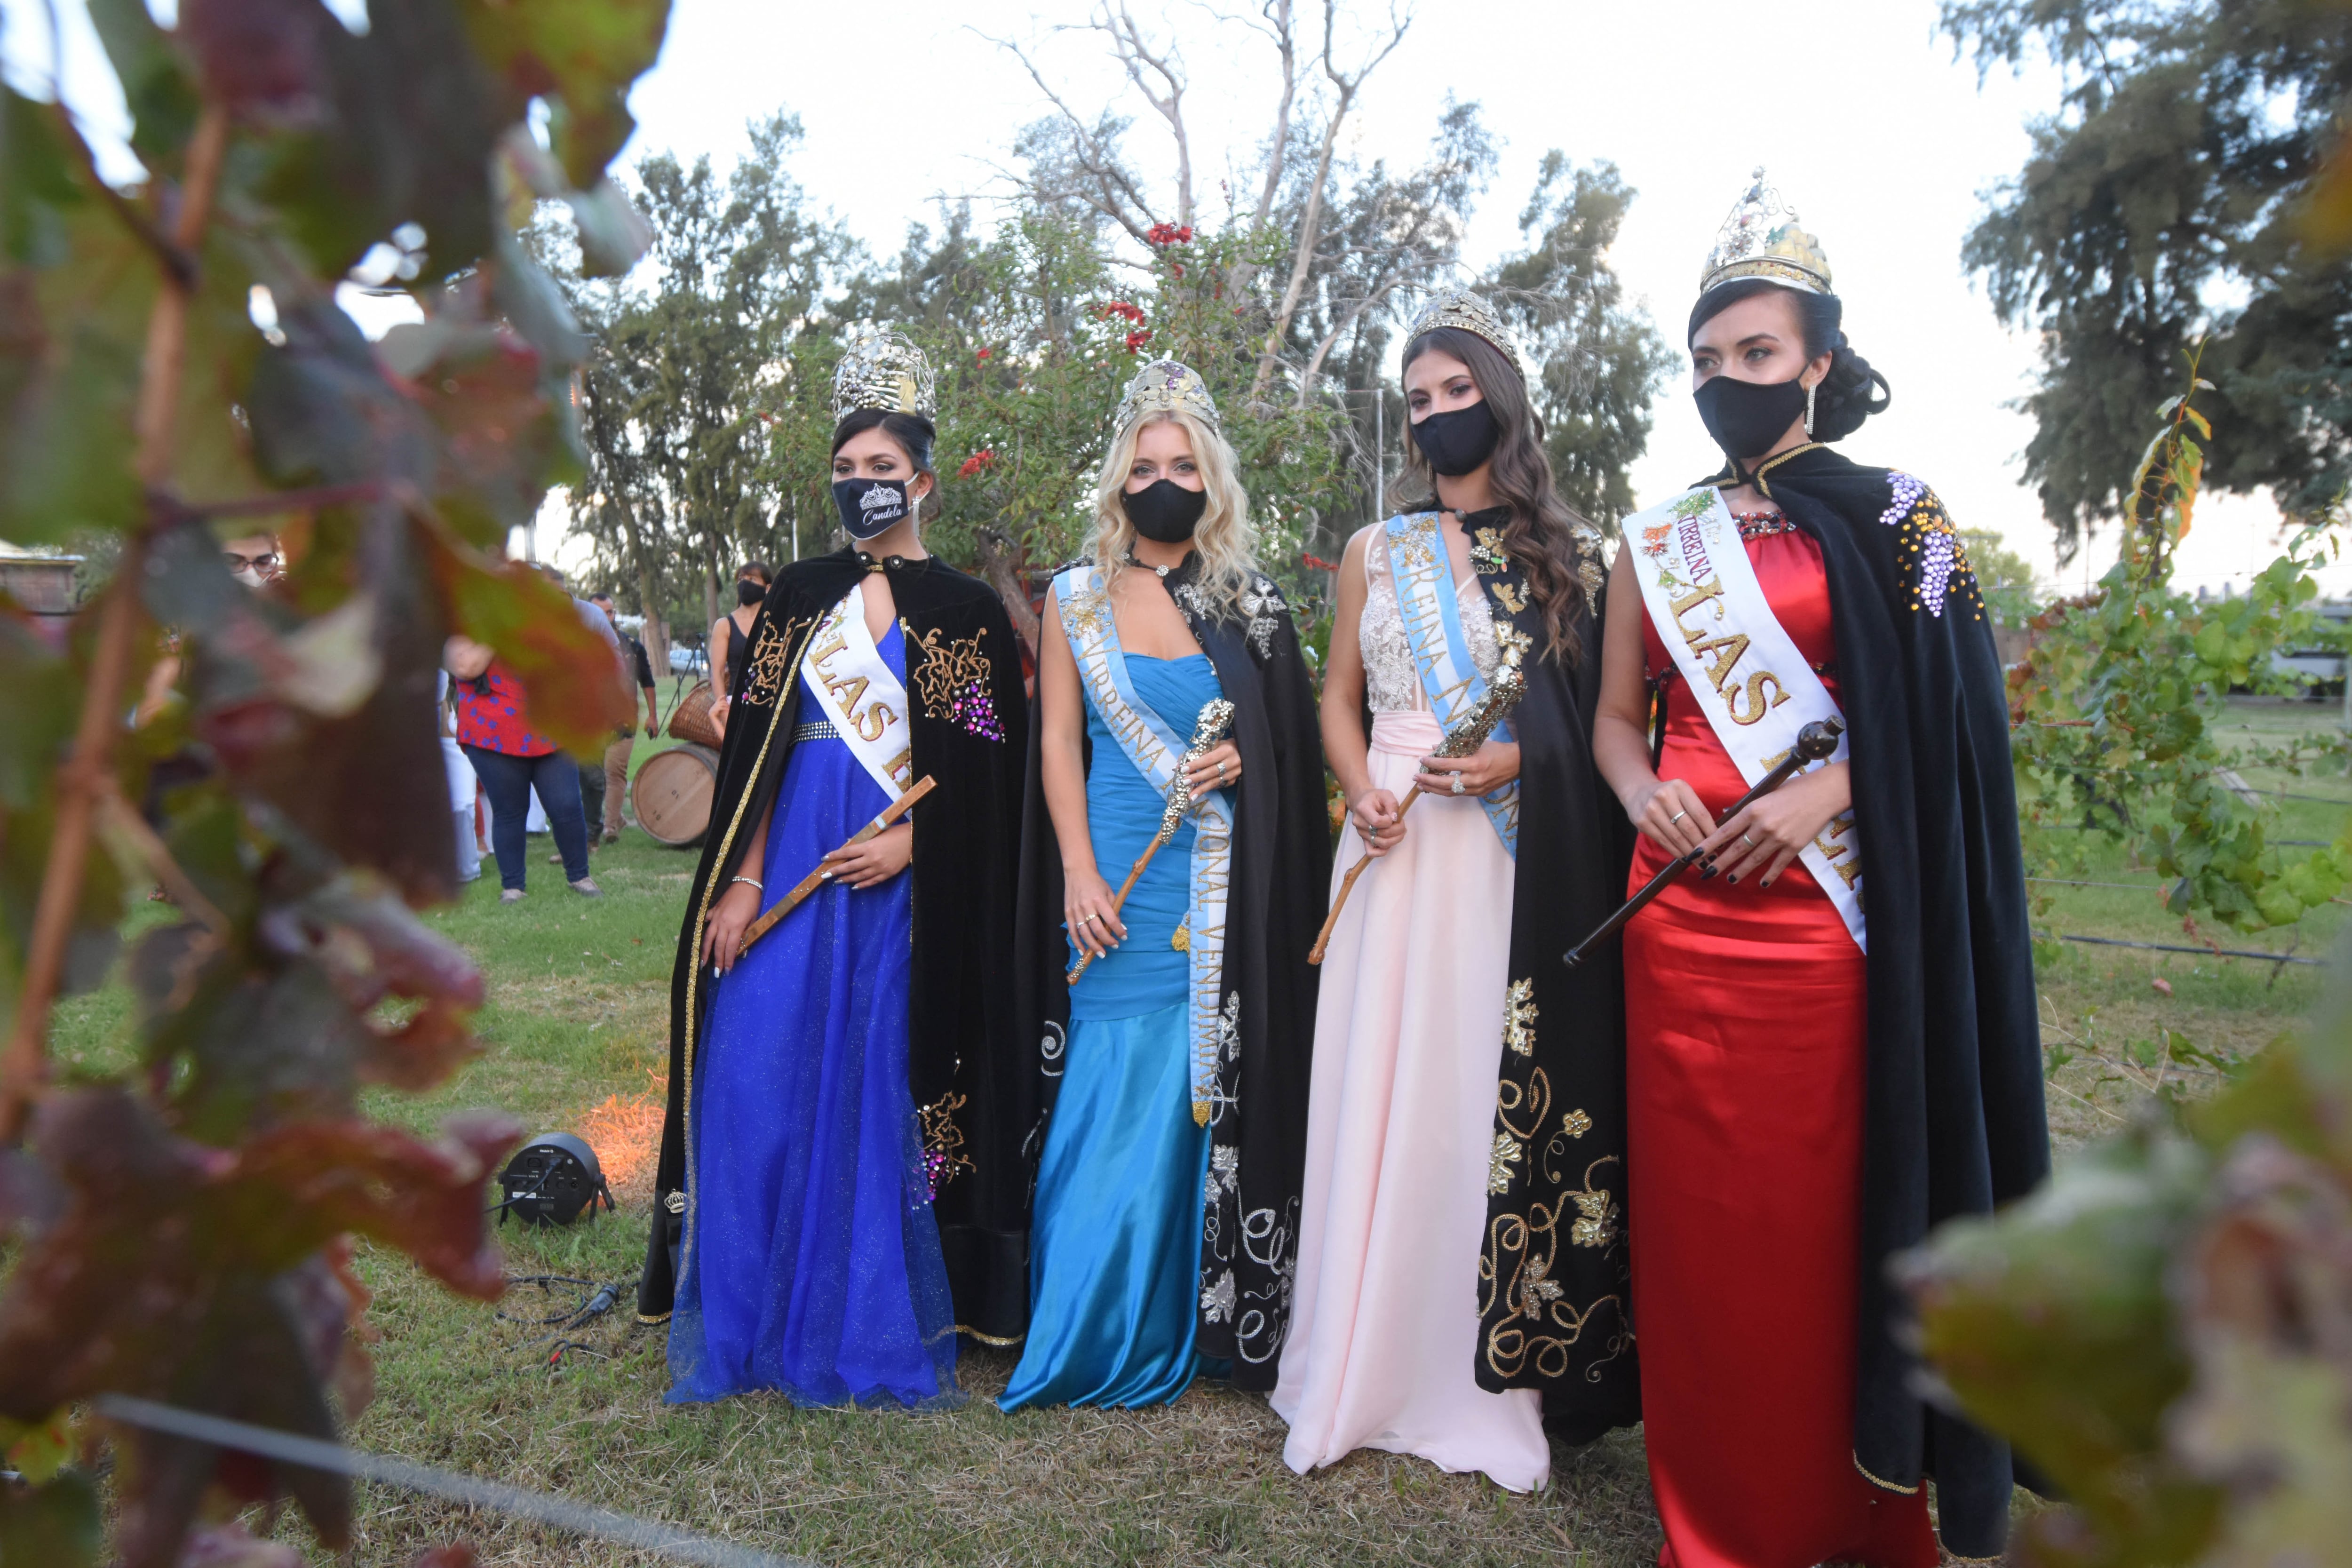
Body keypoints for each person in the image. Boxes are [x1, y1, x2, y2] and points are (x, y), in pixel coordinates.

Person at [1593, 172, 2046, 1566]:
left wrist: (1822, 797)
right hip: (1674, 927)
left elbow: (1961, 729)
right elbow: (1616, 719)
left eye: (1757, 354)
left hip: (1834, 922)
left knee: (1817, 1222)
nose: (1728, 380)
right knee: (1702, 1238)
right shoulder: (1657, 538)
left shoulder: (1903, 517)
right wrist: (1643, 789)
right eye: (1708, 360)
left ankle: (1853, 1500)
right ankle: (1716, 1521)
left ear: (1819, 364)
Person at [1273, 292, 1635, 1492]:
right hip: (1388, 840)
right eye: (1417, 399)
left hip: (1498, 856)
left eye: (1454, 392)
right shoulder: (1376, 552)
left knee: (1470, 1093)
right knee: (1378, 1085)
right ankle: (1360, 1362)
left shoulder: (1571, 558)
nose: (1435, 415)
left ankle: (1475, 1370)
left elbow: (1605, 723)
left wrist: (1516, 757)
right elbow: (1338, 699)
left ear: (1499, 397)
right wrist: (1354, 789)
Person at [639, 326, 1033, 1406]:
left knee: (871, 1088)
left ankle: (856, 1315)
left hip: (902, 882)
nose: (864, 487)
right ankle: (751, 1305)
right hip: (797, 856)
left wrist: (916, 841)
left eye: (883, 471)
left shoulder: (963, 614)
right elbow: (758, 756)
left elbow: (987, 782)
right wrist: (742, 879)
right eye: (847, 471)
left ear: (924, 482)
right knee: (757, 1064)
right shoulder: (800, 598)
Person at [1003, 362, 1329, 1411]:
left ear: (1212, 476)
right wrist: (1077, 871)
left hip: (1218, 877)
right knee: (1106, 1077)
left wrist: (1248, 764)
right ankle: (1083, 1325)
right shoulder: (1073, 595)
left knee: (1198, 1091)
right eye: (1144, 463)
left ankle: (1189, 1317)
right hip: (1110, 874)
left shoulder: (1251, 602)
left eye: (1182, 462)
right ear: (1117, 477)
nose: (1162, 479)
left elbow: (1288, 746)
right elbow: (1057, 741)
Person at [445, 633, 602, 903]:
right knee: (510, 811)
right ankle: (513, 887)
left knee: (566, 804)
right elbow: (466, 666)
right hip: (493, 732)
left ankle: (580, 877)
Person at [589, 591, 662, 844]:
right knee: (594, 777)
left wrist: (653, 717)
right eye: (601, 612)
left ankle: (610, 827)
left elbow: (648, 683)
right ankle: (613, 818)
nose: (608, 616)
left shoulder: (632, 645)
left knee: (614, 772)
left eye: (611, 611)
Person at [711, 560, 772, 714]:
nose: (744, 583)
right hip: (736, 706)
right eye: (741, 579)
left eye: (752, 579)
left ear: (768, 588)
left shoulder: (776, 624)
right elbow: (717, 673)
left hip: (771, 707)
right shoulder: (724, 625)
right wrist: (724, 712)